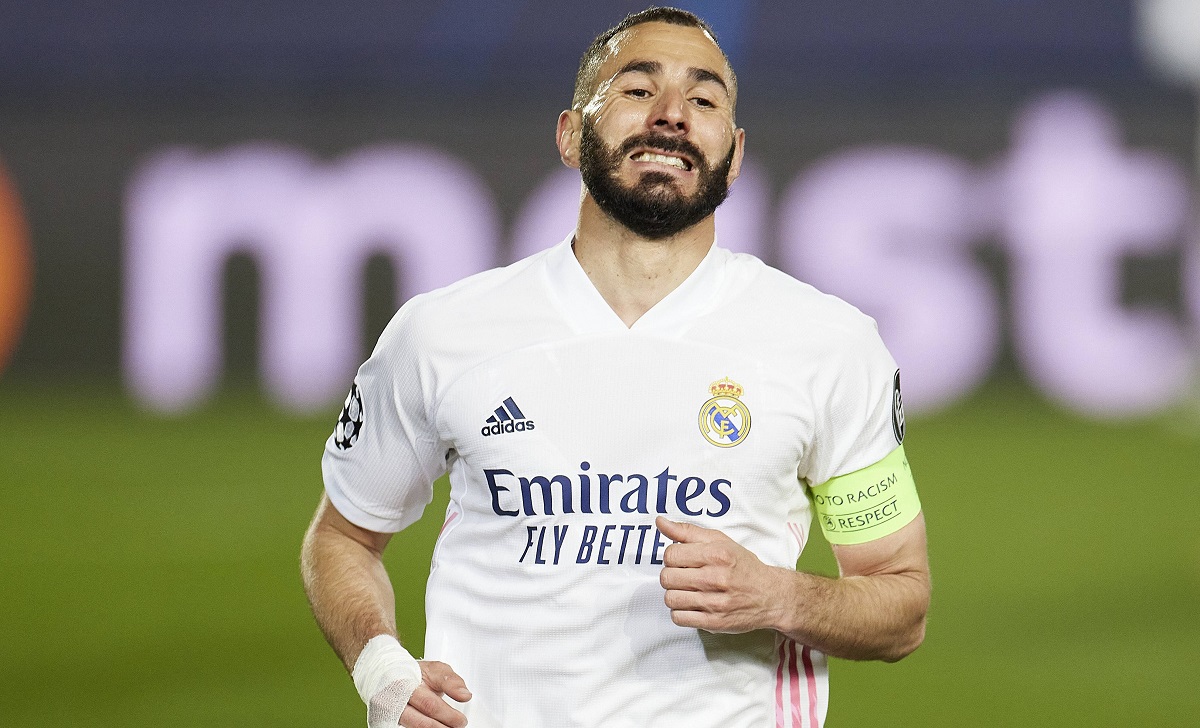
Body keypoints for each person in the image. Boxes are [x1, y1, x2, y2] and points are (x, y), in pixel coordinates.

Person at [301, 7, 930, 728]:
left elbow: (900, 603)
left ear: (735, 153)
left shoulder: (830, 345)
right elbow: (345, 535)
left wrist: (780, 596)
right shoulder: (441, 333)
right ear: (571, 135)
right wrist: (379, 666)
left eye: (704, 100)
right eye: (637, 90)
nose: (672, 115)